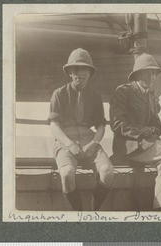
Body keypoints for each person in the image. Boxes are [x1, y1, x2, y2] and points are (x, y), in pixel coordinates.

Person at [110, 53, 161, 210]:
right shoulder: (123, 92)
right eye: (148, 72)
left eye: (154, 73)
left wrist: (152, 134)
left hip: (146, 146)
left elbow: (157, 125)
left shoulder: (150, 96)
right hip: (127, 148)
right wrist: (144, 133)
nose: (152, 77)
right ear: (137, 74)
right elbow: (117, 124)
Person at [48, 48, 114, 211]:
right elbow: (54, 126)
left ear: (90, 72)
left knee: (107, 171)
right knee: (67, 174)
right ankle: (79, 214)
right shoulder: (59, 94)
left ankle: (93, 212)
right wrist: (69, 144)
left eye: (84, 69)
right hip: (66, 139)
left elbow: (100, 125)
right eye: (76, 69)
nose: (80, 73)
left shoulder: (95, 96)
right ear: (70, 72)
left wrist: (94, 142)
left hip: (89, 138)